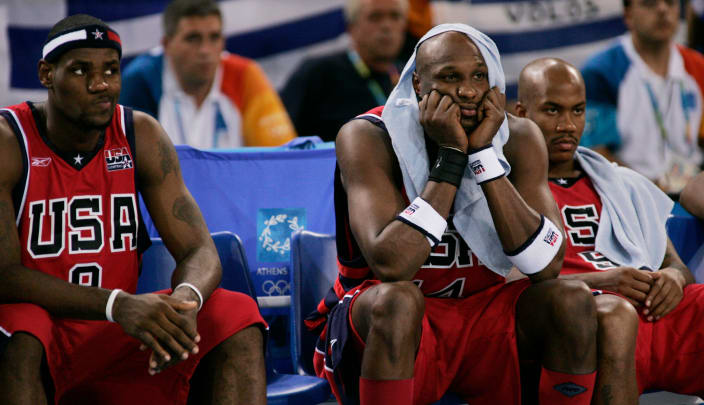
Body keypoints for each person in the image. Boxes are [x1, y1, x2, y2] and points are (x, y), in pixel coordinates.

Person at [306, 24, 600, 405]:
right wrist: (450, 158)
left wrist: (483, 158)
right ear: (417, 85)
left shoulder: (519, 138)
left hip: (484, 309)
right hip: (395, 318)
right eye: (449, 77)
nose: (467, 90)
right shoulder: (368, 136)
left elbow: (546, 266)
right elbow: (392, 265)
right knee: (397, 302)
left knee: (572, 300)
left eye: (479, 76)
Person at [0, 14, 267, 404]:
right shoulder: (10, 142)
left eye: (111, 70)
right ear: (46, 73)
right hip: (47, 334)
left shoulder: (139, 134)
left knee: (236, 312)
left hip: (117, 329)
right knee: (19, 327)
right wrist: (116, 303)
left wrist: (185, 301)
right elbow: (4, 276)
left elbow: (199, 251)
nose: (100, 85)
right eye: (80, 71)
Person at [516, 57, 704, 404]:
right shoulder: (505, 189)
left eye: (577, 111)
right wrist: (602, 282)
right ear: (521, 113)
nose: (567, 124)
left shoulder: (619, 181)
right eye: (552, 110)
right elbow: (502, 290)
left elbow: (673, 262)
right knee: (614, 316)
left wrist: (672, 278)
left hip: (651, 309)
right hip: (582, 320)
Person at [580, 0, 704, 194]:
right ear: (628, 15)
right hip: (629, 194)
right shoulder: (601, 71)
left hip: (692, 192)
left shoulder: (700, 67)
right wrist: (649, 190)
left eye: (670, 3)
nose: (663, 10)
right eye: (649, 3)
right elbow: (596, 152)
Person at [120, 0, 296, 149]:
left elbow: (283, 156)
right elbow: (128, 165)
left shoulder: (245, 75)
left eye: (214, 37)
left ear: (223, 41)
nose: (205, 50)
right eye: (193, 38)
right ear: (167, 44)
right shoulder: (140, 81)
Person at [280, 0, 408, 142]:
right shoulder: (318, 73)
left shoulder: (411, 77)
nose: (387, 26)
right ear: (351, 28)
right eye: (375, 17)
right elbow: (282, 141)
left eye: (395, 16)